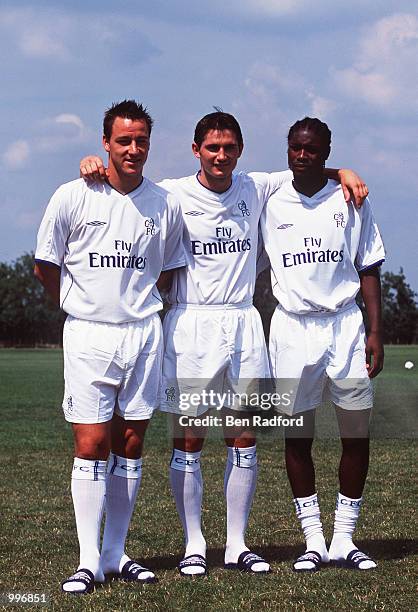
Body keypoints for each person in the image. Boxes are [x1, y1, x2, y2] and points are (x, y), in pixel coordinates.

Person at [79, 111, 367, 577]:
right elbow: (124, 185)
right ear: (196, 150)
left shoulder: (256, 188)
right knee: (189, 440)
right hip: (190, 323)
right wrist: (93, 163)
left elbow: (309, 166)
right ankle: (195, 543)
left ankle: (236, 543)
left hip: (243, 322)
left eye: (229, 148)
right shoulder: (171, 193)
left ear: (240, 151)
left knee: (245, 439)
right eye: (212, 148)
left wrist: (344, 172)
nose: (220, 156)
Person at [34, 100, 185, 594]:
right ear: (105, 142)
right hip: (88, 333)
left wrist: (135, 304)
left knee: (131, 443)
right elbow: (45, 263)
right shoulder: (73, 196)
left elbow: (165, 271)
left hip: (143, 333)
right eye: (124, 140)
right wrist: (78, 305)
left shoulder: (163, 204)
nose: (133, 149)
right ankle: (87, 558)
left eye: (141, 140)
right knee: (91, 444)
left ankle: (116, 553)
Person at [260, 117, 385, 572]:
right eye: (295, 147)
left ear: (327, 151)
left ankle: (345, 539)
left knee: (355, 432)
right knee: (299, 436)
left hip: (345, 326)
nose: (301, 155)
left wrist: (375, 330)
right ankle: (313, 539)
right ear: (287, 148)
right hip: (292, 328)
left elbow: (368, 266)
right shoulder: (268, 200)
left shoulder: (351, 199)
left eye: (311, 149)